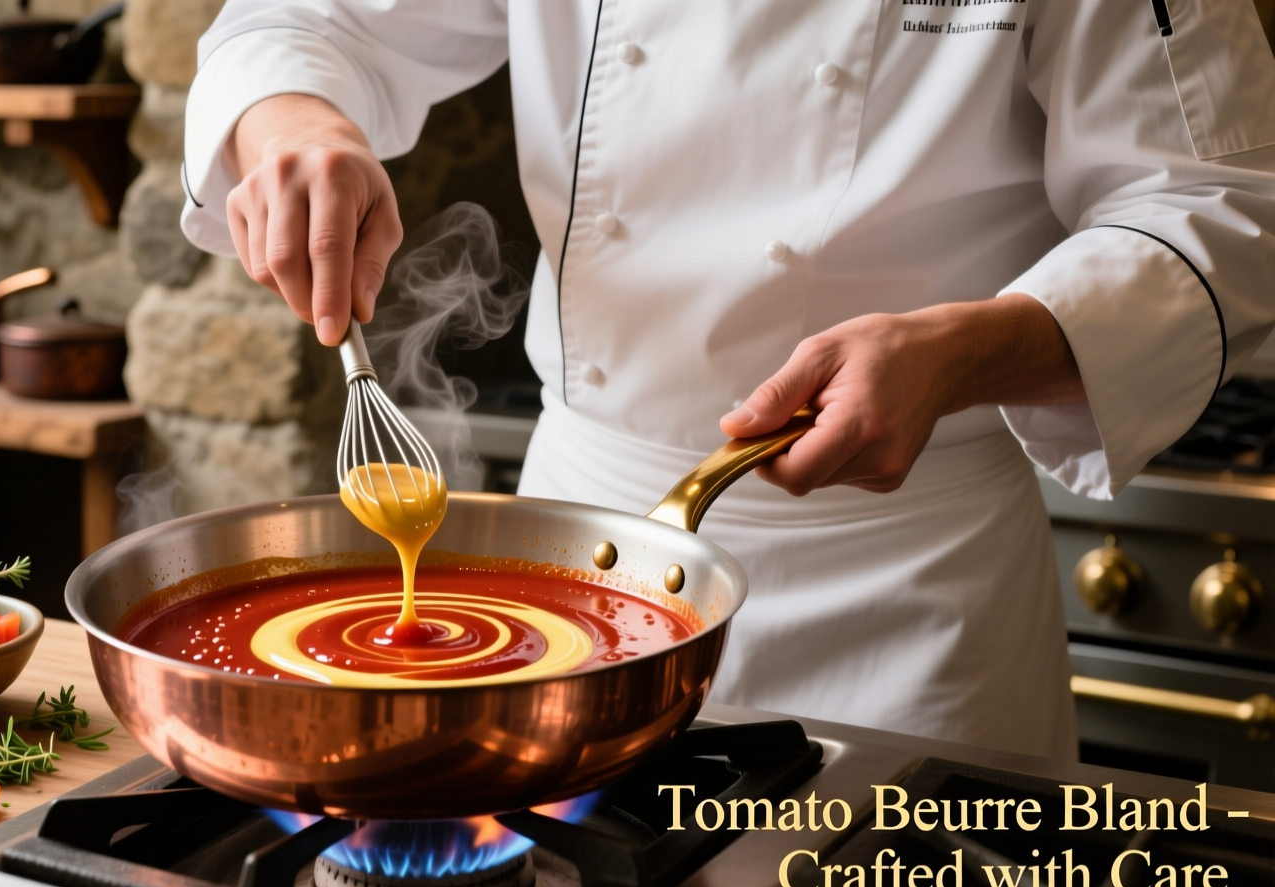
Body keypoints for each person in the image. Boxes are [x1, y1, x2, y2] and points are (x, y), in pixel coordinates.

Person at [176, 1, 1275, 759]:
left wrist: (968, 349)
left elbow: (1221, 206)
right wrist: (295, 119)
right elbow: (301, 20)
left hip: (908, 592)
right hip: (582, 551)